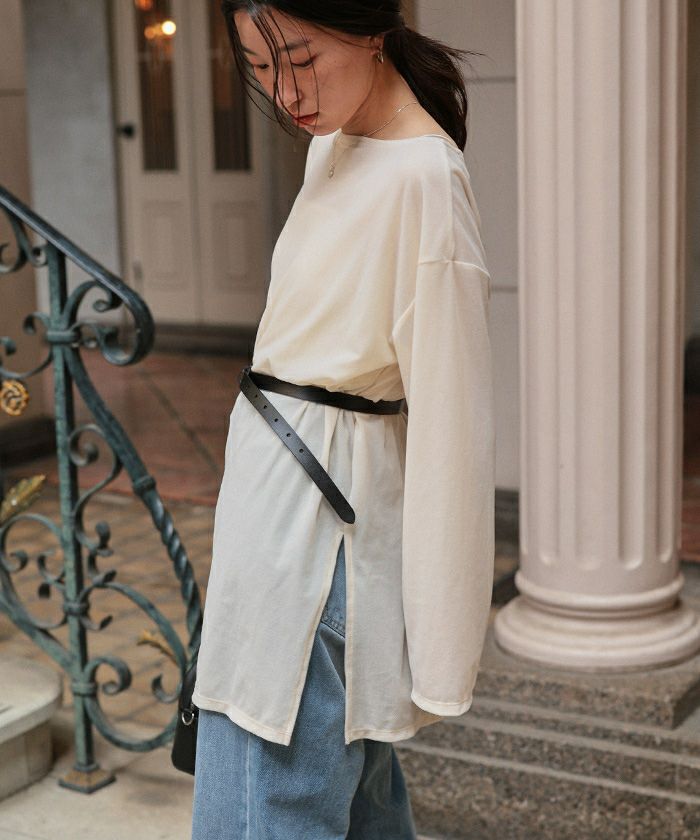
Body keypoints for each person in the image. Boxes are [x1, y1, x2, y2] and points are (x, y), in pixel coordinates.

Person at [190, 2, 495, 838]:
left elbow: (453, 425)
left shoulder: (423, 178)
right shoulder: (335, 142)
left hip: (315, 542)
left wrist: (441, 646)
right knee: (347, 802)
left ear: (368, 28)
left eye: (299, 58)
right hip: (280, 515)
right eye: (261, 68)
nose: (286, 93)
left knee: (266, 802)